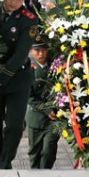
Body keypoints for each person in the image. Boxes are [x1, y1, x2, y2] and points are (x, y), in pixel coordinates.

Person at [0, 0, 38, 169]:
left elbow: (20, 55)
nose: (15, 1)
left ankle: (5, 162)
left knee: (14, 126)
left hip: (16, 79)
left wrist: (0, 79)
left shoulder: (29, 20)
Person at [26, 34, 60, 169]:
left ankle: (46, 176)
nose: (41, 53)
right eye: (37, 50)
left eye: (44, 50)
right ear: (31, 51)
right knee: (34, 153)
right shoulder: (27, 69)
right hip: (36, 118)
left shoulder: (55, 66)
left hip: (54, 119)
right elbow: (29, 97)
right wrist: (46, 109)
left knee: (48, 152)